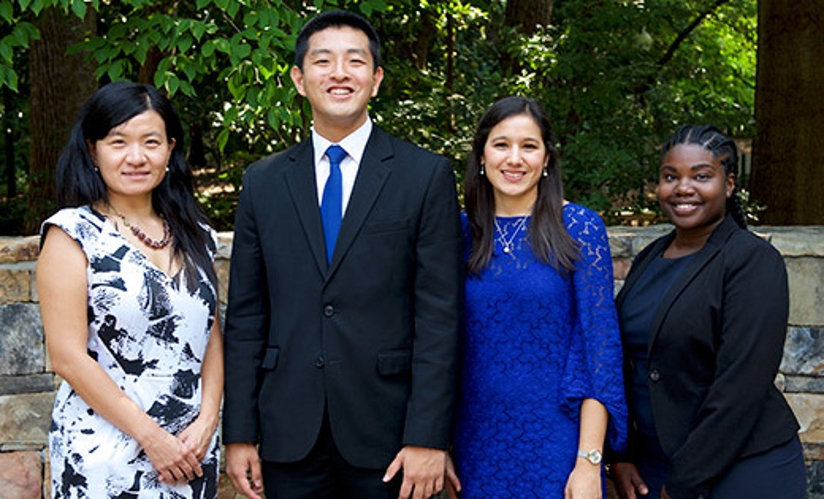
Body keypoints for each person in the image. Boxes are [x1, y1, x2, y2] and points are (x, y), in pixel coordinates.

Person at [221, 9, 462, 499]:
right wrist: (239, 431)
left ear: (374, 79)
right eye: (323, 61)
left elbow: (440, 315)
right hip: (288, 433)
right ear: (299, 78)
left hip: (390, 438)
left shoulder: (424, 176)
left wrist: (427, 436)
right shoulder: (263, 182)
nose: (338, 73)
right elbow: (247, 314)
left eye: (355, 62)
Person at [36, 81, 223, 498]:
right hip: (104, 455)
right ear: (92, 150)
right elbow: (67, 357)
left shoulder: (197, 236)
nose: (136, 157)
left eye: (151, 142)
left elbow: (208, 336)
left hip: (190, 453)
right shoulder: (73, 235)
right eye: (118, 142)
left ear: (170, 150)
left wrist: (209, 420)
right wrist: (152, 439)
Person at [610, 125, 806, 499]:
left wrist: (683, 484)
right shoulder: (651, 258)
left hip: (741, 470)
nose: (683, 188)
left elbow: (740, 387)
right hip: (653, 466)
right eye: (671, 177)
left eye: (701, 176)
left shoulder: (752, 261)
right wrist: (621, 454)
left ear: (729, 184)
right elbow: (628, 363)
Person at [447, 96, 627, 498]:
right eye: (501, 144)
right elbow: (438, 345)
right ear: (481, 154)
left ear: (547, 158)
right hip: (476, 441)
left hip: (558, 441)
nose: (515, 158)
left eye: (529, 146)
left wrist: (589, 461)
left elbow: (599, 350)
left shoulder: (579, 227)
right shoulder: (458, 233)